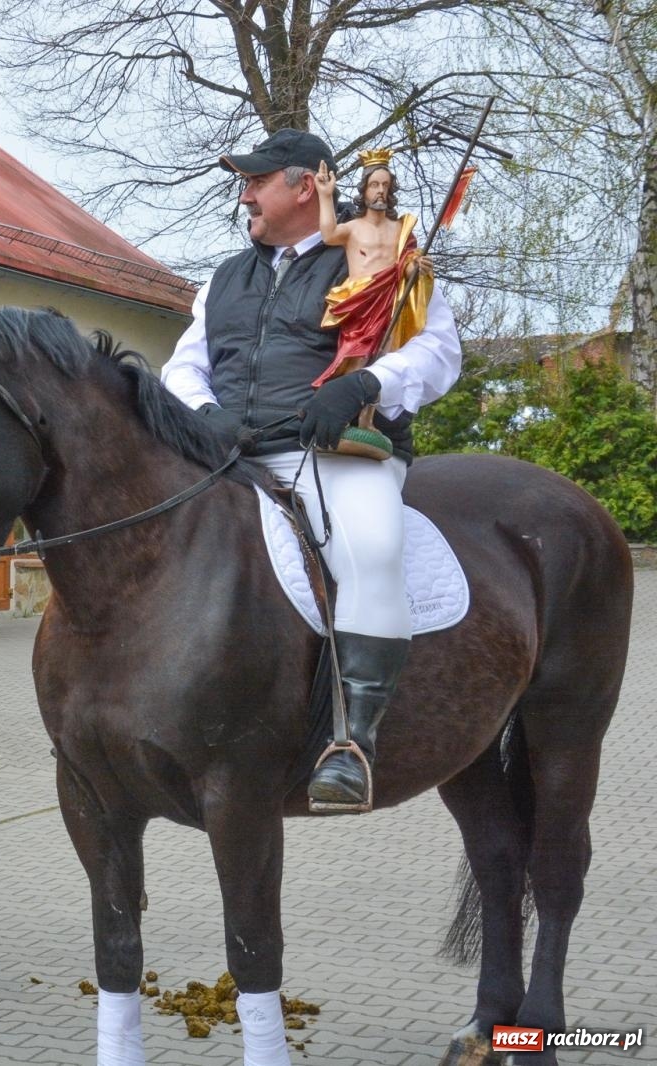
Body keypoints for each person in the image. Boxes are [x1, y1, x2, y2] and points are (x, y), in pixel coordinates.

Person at [160, 129, 462, 809]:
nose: (244, 195)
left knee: (373, 548)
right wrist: (204, 412)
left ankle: (353, 744)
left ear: (306, 186)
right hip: (230, 453)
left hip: (333, 452)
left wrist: (367, 387)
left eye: (256, 181)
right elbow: (184, 364)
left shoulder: (380, 254)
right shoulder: (224, 278)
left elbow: (440, 352)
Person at [313, 150, 435, 386]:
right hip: (361, 305)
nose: (380, 191)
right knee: (354, 358)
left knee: (384, 363)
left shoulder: (401, 229)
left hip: (389, 304)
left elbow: (406, 266)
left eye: (385, 185)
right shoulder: (353, 228)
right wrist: (325, 196)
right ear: (364, 190)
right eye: (374, 185)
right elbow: (328, 235)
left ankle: (368, 418)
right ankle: (348, 411)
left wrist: (417, 267)